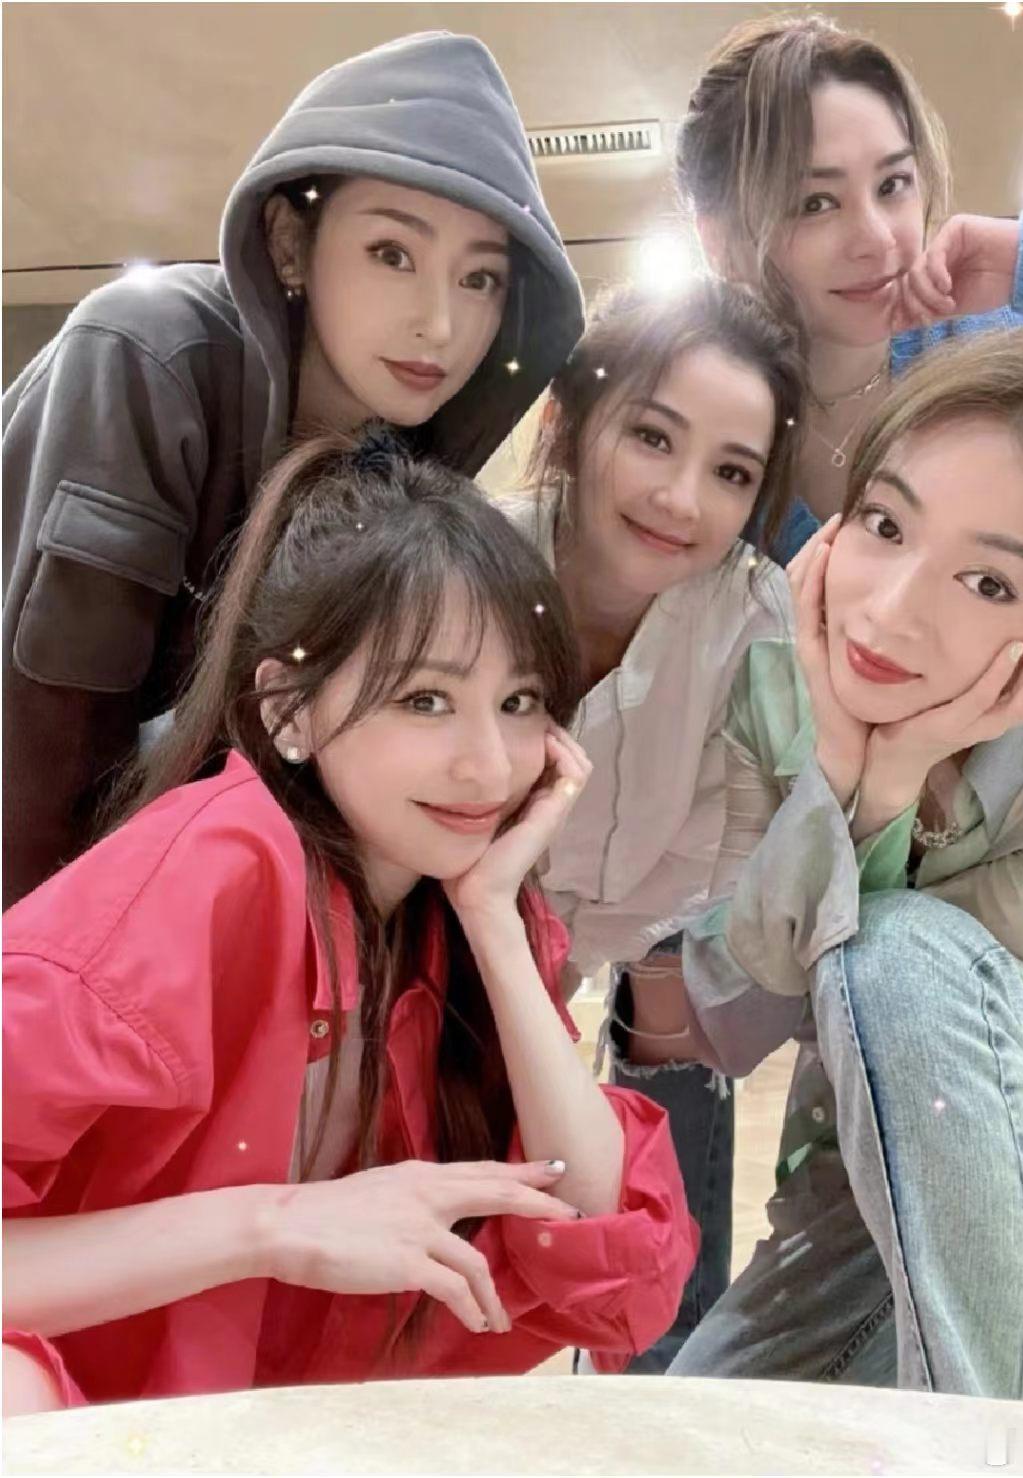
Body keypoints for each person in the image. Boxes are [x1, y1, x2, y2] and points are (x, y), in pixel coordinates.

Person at [2, 424, 696, 1415]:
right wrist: (272, 1224)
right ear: (288, 711)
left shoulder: (456, 908)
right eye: (424, 699)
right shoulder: (209, 877)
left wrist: (494, 922)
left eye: (518, 701)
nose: (488, 765)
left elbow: (595, 1241)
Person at [668, 319, 1023, 1403]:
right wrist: (842, 766)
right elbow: (730, 1017)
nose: (889, 610)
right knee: (692, 1436)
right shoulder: (771, 691)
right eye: (884, 523)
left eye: (987, 583)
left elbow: (894, 1008)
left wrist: (882, 780)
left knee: (896, 951)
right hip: (860, 1200)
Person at [2, 30, 584, 907]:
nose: (440, 324)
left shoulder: (399, 477)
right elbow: (49, 740)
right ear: (287, 243)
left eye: (480, 280)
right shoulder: (148, 355)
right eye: (392, 254)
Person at [676, 12, 1023, 724]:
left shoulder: (996, 335)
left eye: (893, 184)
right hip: (962, 779)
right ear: (720, 242)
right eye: (815, 203)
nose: (877, 237)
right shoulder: (721, 452)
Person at [495, 276, 801, 1369]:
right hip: (444, 936)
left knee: (668, 1064)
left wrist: (596, 969)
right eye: (651, 437)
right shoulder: (464, 568)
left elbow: (731, 848)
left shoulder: (747, 614)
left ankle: (658, 1360)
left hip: (641, 927)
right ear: (570, 421)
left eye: (731, 472)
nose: (681, 498)